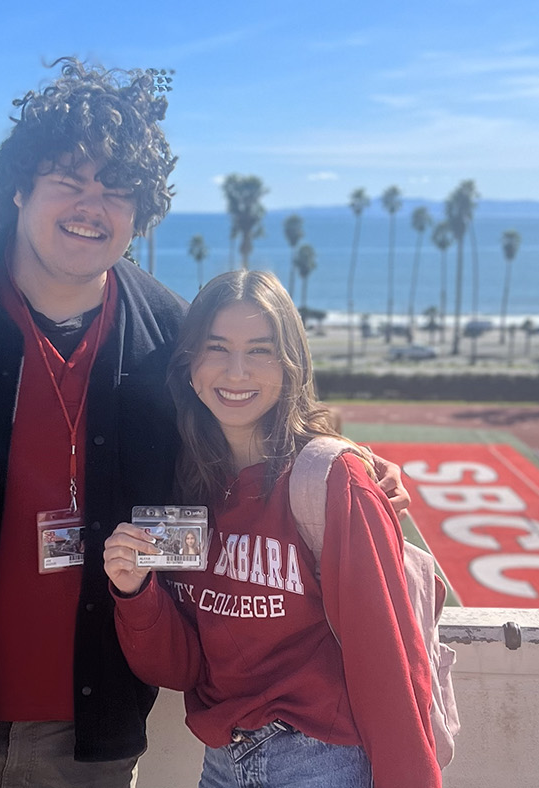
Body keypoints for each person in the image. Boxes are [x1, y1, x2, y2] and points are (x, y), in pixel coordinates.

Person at [0, 60, 409, 788]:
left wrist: (349, 467)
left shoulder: (170, 333)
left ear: (139, 215)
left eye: (118, 190)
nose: (93, 205)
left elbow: (247, 434)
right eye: (69, 180)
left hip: (96, 739)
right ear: (18, 187)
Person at [103, 270, 441, 787]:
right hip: (221, 764)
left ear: (290, 366)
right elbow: (184, 669)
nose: (236, 371)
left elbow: (391, 667)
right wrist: (136, 591)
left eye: (260, 350)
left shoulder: (331, 480)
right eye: (217, 347)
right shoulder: (190, 487)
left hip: (322, 763)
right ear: (190, 365)